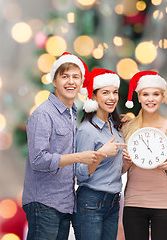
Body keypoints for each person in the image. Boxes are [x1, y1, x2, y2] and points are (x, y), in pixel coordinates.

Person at [22, 52, 106, 240]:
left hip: (64, 203)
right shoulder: (43, 114)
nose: (71, 82)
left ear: (81, 82)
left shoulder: (71, 113)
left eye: (76, 77)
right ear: (54, 80)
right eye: (65, 76)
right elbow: (38, 160)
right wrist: (79, 157)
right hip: (43, 203)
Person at [121, 71, 167, 240]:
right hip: (134, 202)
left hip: (164, 204)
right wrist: (125, 163)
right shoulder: (127, 128)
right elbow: (119, 170)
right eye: (145, 94)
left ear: (163, 97)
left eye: (156, 94)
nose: (150, 99)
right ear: (138, 97)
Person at [72, 68, 127, 240]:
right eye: (105, 93)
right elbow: (80, 173)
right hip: (91, 201)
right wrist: (100, 154)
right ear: (94, 96)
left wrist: (128, 162)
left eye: (115, 92)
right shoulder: (87, 130)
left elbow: (112, 170)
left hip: (112, 202)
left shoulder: (114, 127)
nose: (112, 98)